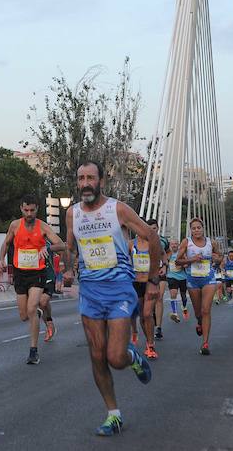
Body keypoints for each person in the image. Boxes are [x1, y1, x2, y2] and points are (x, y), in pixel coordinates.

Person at [64, 160, 161, 436]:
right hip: (90, 293)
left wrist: (153, 278)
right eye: (81, 178)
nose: (85, 183)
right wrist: (69, 268)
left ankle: (131, 357)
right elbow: (71, 246)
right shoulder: (72, 214)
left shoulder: (117, 209)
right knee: (96, 356)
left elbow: (151, 237)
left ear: (101, 181)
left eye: (90, 178)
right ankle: (113, 414)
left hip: (119, 289)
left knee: (115, 357)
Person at [0, 195, 65, 364]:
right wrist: (1, 260)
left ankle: (33, 351)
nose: (29, 213)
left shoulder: (42, 226)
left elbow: (61, 244)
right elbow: (6, 243)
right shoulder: (14, 225)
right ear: (21, 209)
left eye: (32, 210)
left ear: (37, 210)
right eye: (26, 210)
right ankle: (37, 314)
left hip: (37, 273)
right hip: (20, 273)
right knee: (23, 315)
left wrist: (47, 247)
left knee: (32, 307)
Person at [176, 218, 223, 355]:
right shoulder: (187, 242)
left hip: (208, 278)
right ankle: (199, 322)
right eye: (194, 228)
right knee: (198, 312)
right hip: (193, 280)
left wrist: (217, 258)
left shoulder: (211, 242)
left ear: (203, 229)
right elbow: (178, 261)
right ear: (191, 230)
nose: (196, 230)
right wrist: (191, 259)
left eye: (199, 227)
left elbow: (220, 257)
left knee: (206, 310)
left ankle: (205, 343)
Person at [129, 228, 158, 359]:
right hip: (136, 283)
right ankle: (148, 339)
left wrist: (162, 268)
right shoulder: (130, 244)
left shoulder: (152, 244)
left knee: (147, 314)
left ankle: (151, 345)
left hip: (150, 282)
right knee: (142, 316)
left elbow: (161, 257)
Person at [147, 219, 168, 341]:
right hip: (148, 273)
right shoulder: (144, 241)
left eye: (154, 228)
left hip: (160, 272)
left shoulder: (163, 240)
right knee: (151, 300)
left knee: (159, 297)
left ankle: (158, 327)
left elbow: (166, 252)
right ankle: (152, 317)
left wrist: (165, 265)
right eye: (149, 228)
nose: (152, 231)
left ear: (158, 228)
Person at [165, 240, 188, 322]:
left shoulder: (182, 253)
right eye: (172, 244)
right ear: (170, 245)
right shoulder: (168, 254)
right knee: (173, 294)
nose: (174, 245)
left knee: (183, 296)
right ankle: (175, 313)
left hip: (182, 277)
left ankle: (184, 307)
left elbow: (186, 264)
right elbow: (164, 263)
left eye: (175, 244)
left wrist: (182, 265)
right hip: (171, 276)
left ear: (178, 245)